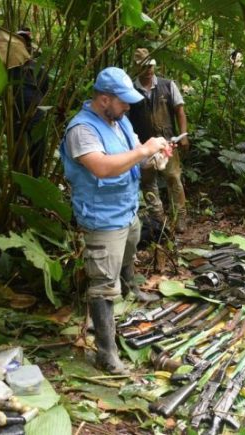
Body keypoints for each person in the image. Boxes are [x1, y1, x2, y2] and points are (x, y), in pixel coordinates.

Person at [60, 67, 173, 374]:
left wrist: (154, 157)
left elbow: (136, 154)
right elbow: (102, 168)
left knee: (130, 248)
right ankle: (106, 353)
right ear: (104, 99)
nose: (128, 107)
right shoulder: (81, 130)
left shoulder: (119, 121)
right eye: (123, 101)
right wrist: (145, 150)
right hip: (102, 217)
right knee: (102, 284)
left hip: (126, 208)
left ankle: (131, 287)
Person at [128, 48, 190, 233]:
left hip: (168, 142)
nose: (149, 69)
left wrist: (184, 135)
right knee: (148, 183)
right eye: (145, 66)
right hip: (144, 146)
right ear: (137, 67)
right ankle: (158, 220)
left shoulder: (167, 85)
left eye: (151, 65)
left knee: (173, 178)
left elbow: (180, 111)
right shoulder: (131, 90)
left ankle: (180, 218)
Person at [11, 28, 48, 177]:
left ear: (28, 46)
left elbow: (45, 89)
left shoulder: (38, 67)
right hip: (14, 111)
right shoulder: (9, 67)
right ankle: (19, 182)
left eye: (24, 42)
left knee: (37, 147)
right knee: (17, 148)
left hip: (35, 111)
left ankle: (36, 178)